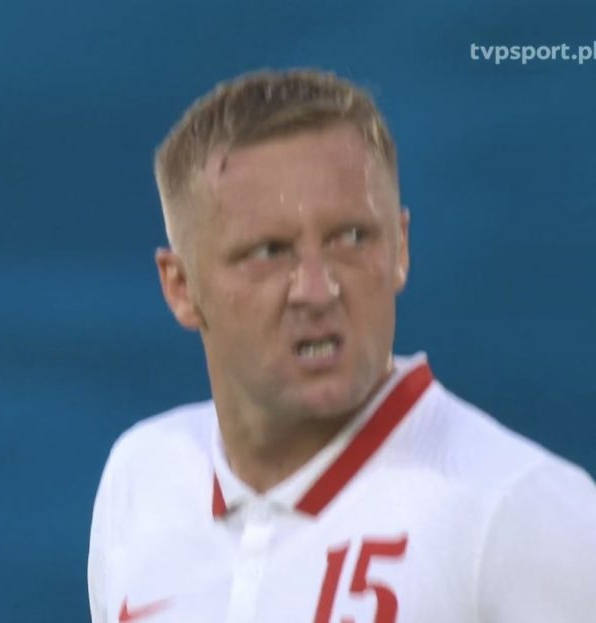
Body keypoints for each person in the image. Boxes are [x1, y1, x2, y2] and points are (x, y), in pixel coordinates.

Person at [87, 69, 596, 623]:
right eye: (269, 251)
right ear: (181, 288)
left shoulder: (521, 514)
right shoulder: (142, 478)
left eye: (352, 239)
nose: (317, 289)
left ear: (400, 248)